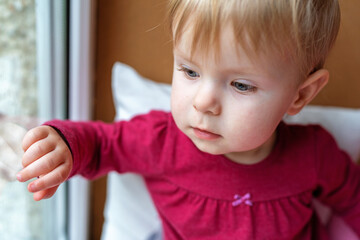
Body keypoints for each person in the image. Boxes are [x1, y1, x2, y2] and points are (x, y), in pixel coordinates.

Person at [17, 0, 360, 239]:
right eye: (190, 71)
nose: (203, 102)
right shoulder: (160, 140)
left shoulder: (314, 155)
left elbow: (353, 199)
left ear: (300, 95)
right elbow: (103, 144)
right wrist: (64, 144)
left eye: (241, 84)